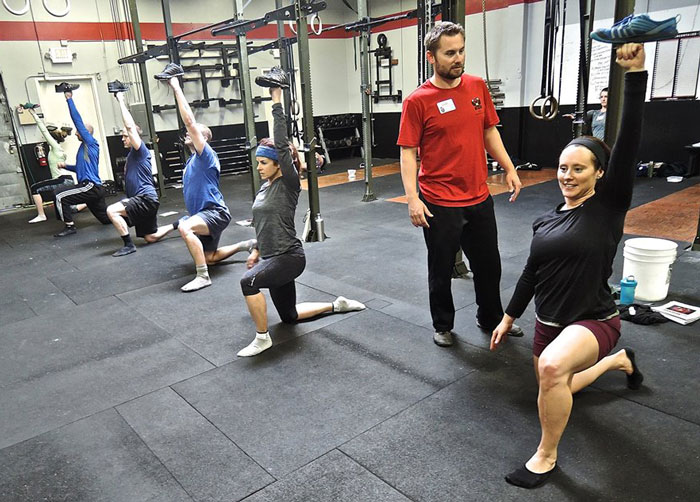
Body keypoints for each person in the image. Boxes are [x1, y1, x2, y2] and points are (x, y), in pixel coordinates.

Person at [490, 44, 647, 489]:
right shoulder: (546, 220)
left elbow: (630, 139)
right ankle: (618, 363)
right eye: (562, 167)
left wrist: (634, 75)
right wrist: (508, 317)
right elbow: (530, 274)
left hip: (594, 318)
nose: (567, 175)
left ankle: (546, 455)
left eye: (579, 168)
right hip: (548, 322)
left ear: (600, 173)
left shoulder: (609, 206)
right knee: (556, 381)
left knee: (553, 371)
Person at [397, 21, 524, 348]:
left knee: (489, 266)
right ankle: (443, 324)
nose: (458, 58)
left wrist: (509, 167)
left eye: (461, 51)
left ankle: (492, 318)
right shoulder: (417, 101)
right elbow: (409, 153)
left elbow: (488, 131)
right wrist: (413, 198)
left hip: (478, 196)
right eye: (449, 53)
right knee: (441, 270)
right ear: (431, 57)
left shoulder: (477, 87)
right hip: (438, 201)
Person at [236, 73, 366, 358]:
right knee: (290, 316)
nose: (259, 167)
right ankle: (337, 305)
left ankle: (262, 338)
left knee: (248, 283)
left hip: (289, 258)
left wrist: (277, 99)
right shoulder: (265, 187)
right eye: (257, 162)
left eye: (263, 163)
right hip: (273, 257)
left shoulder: (288, 183)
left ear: (279, 165)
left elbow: (282, 145)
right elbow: (263, 222)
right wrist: (256, 250)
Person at [153, 63, 251, 291]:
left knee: (185, 228)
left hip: (214, 213)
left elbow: (189, 121)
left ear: (203, 138)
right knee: (211, 256)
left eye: (196, 131)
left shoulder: (207, 155)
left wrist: (175, 85)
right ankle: (245, 244)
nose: (189, 132)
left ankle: (202, 276)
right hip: (202, 214)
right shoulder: (192, 161)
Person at [105, 83, 168, 256]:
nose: (123, 139)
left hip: (145, 199)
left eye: (125, 136)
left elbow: (131, 128)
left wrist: (120, 99)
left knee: (111, 210)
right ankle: (178, 224)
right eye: (122, 136)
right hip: (144, 200)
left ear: (135, 137)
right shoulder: (132, 155)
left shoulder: (141, 151)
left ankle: (128, 245)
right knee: (150, 237)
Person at [52, 83, 110, 237]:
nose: (76, 133)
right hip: (94, 188)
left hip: (90, 186)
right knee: (107, 219)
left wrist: (69, 99)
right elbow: (80, 168)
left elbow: (77, 120)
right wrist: (66, 166)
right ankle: (133, 215)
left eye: (79, 131)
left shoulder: (90, 142)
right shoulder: (83, 148)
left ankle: (69, 226)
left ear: (85, 133)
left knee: (59, 195)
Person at [21, 104, 86, 223]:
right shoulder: (57, 149)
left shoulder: (56, 147)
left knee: (34, 188)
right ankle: (89, 201)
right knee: (71, 208)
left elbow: (44, 131)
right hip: (67, 180)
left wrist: (33, 114)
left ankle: (41, 215)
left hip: (61, 180)